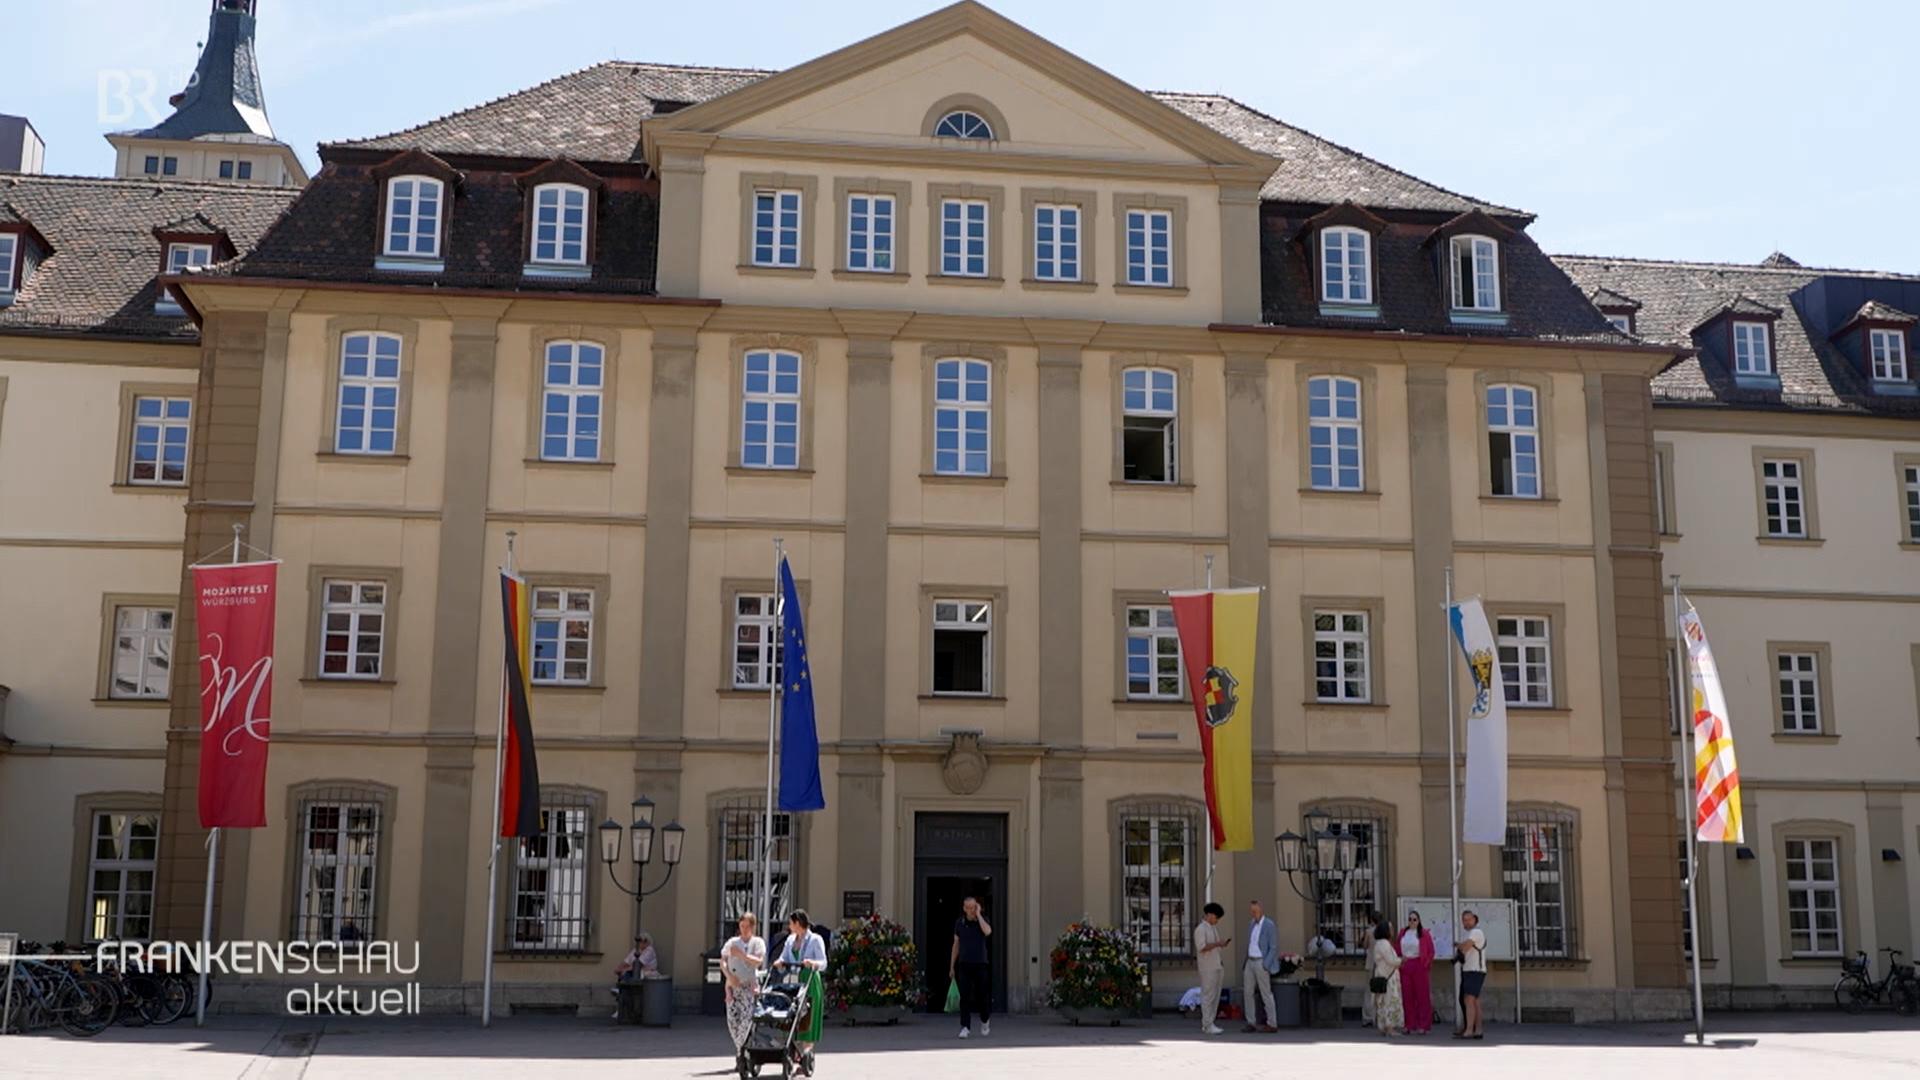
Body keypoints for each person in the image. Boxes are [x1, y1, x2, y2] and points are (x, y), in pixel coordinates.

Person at [774, 909, 828, 1063]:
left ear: (798, 923)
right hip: (793, 980)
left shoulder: (815, 939)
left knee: (807, 1018)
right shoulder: (790, 940)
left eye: (791, 923)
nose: (789, 926)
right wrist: (779, 962)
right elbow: (784, 957)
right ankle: (794, 1052)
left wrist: (813, 963)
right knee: (791, 1017)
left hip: (809, 979)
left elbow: (823, 963)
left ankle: (806, 1054)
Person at [721, 913, 767, 1052]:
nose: (744, 929)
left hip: (749, 986)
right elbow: (723, 961)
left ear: (753, 927)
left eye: (747, 926)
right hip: (732, 986)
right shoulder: (732, 942)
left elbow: (758, 961)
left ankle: (741, 1052)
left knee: (746, 1021)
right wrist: (729, 976)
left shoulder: (757, 942)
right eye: (742, 926)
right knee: (733, 1022)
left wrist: (742, 955)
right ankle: (740, 1050)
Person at [949, 896, 993, 1038]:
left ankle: (985, 1020)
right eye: (968, 907)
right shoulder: (959, 923)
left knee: (982, 996)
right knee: (965, 997)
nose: (970, 910)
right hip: (964, 964)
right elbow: (956, 945)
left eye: (973, 907)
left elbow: (988, 932)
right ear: (964, 908)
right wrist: (951, 966)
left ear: (977, 907)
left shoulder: (983, 920)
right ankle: (965, 1026)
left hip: (981, 964)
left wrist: (979, 915)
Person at [1241, 899, 1279, 1033]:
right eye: (1252, 911)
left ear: (1261, 910)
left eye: (1255, 911)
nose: (1253, 914)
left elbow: (1273, 947)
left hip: (1261, 961)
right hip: (1250, 961)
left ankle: (1272, 1023)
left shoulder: (1269, 925)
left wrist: (1266, 964)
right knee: (1247, 992)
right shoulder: (1251, 924)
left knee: (1265, 993)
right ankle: (1250, 1022)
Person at [1192, 902, 1230, 1035]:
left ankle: (1210, 1022)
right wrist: (1217, 944)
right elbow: (1201, 947)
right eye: (1216, 917)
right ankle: (1207, 1023)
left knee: (1215, 995)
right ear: (1209, 915)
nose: (1217, 920)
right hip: (1207, 967)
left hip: (1217, 965)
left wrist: (1220, 945)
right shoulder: (1200, 929)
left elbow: (1214, 946)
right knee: (1208, 995)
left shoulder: (1213, 928)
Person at [1398, 910, 1436, 1034]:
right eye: (1410, 919)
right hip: (1406, 964)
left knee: (1422, 996)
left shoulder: (1424, 934)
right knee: (1407, 996)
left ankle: (1423, 1025)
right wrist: (1399, 960)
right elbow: (1397, 948)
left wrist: (1425, 964)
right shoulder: (1403, 933)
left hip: (1419, 964)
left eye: (1414, 919)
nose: (1412, 922)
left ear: (1419, 921)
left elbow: (1431, 951)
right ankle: (1409, 1024)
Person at [1455, 909, 1486, 1040]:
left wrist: (1459, 945)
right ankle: (1477, 1030)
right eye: (1464, 920)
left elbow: (1465, 947)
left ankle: (1469, 1030)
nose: (1466, 922)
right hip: (1470, 970)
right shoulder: (1470, 933)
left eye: (1469, 919)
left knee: (1469, 1000)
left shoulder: (1476, 932)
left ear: (1474, 919)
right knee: (1474, 1001)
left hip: (1475, 970)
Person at [1369, 921, 1404, 1035]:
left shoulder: (1380, 943)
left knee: (1382, 1002)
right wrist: (1401, 960)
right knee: (1389, 1002)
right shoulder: (1384, 944)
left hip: (1383, 975)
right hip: (1388, 977)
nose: (1393, 931)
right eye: (1391, 928)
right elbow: (1391, 960)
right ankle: (1389, 1028)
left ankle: (1383, 1026)